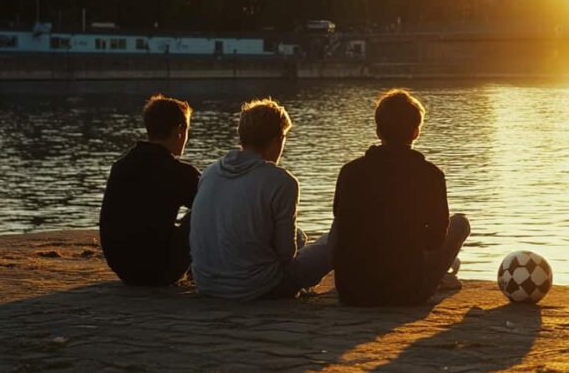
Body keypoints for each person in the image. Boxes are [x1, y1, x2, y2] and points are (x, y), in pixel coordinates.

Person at [332, 88, 470, 306]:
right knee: (460, 223)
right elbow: (435, 241)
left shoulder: (350, 171)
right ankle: (439, 277)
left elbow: (341, 223)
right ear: (416, 132)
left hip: (352, 292)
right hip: (405, 291)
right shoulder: (431, 175)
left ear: (378, 132)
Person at [190, 98, 332, 300]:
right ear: (278, 139)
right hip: (259, 287)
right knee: (336, 237)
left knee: (298, 235)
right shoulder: (282, 181)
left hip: (207, 283)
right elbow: (285, 254)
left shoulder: (209, 173)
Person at [99, 94, 199, 286]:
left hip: (123, 268)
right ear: (179, 130)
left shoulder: (121, 165)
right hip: (160, 271)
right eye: (187, 129)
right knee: (204, 209)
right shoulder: (178, 173)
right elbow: (216, 203)